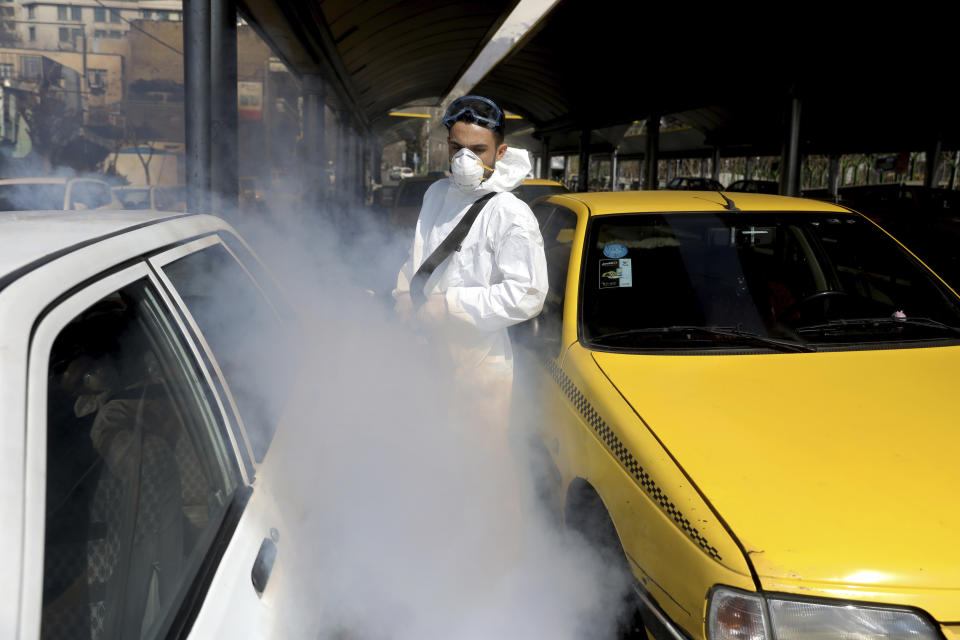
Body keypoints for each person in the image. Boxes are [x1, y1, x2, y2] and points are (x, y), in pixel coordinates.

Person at [392, 95, 548, 570]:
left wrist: (452, 306)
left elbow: (528, 295)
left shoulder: (511, 214)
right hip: (431, 351)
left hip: (480, 363)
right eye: (457, 146)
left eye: (477, 149)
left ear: (500, 152)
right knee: (434, 455)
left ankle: (495, 571)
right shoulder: (436, 196)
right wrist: (402, 294)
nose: (464, 159)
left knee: (484, 470)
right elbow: (419, 260)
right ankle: (438, 551)